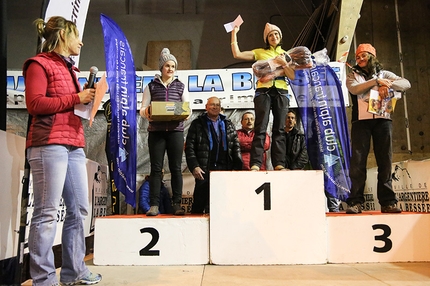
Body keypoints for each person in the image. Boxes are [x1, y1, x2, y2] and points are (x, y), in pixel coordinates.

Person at [22, 16, 101, 285]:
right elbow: (35, 104)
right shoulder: (39, 64)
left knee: (79, 209)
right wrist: (76, 98)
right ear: (63, 37)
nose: (81, 41)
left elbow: (68, 105)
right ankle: (43, 279)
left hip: (73, 144)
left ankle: (74, 272)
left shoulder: (71, 69)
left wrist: (87, 104)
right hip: (48, 145)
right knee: (46, 213)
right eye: (77, 36)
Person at [345, 43, 411, 214]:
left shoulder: (385, 74)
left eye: (363, 56)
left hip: (383, 121)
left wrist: (386, 84)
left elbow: (406, 84)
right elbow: (354, 89)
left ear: (372, 56)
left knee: (385, 160)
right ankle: (355, 202)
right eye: (358, 56)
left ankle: (388, 202)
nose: (359, 59)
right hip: (360, 122)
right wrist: (375, 82)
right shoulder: (352, 75)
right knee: (358, 162)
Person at [231, 22, 295, 171]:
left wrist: (284, 64)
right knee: (260, 127)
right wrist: (234, 33)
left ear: (280, 36)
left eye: (276, 34)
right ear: (267, 38)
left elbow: (292, 76)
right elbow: (237, 54)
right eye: (271, 35)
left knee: (279, 128)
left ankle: (279, 164)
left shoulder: (287, 54)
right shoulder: (260, 52)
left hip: (281, 91)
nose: (274, 37)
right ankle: (256, 164)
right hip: (263, 92)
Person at [140, 48, 189, 216]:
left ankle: (176, 204)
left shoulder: (181, 86)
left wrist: (185, 114)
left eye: (173, 66)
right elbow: (142, 109)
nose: (170, 69)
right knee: (156, 168)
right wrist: (149, 113)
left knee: (176, 168)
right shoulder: (151, 86)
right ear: (161, 67)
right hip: (157, 132)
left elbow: (187, 108)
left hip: (175, 131)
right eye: (167, 65)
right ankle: (154, 205)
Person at [185, 97, 242, 213]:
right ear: (206, 107)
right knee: (199, 205)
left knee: (222, 204)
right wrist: (194, 166)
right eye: (212, 105)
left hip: (224, 169)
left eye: (217, 105)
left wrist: (237, 167)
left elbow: (236, 146)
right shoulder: (197, 124)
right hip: (204, 169)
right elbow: (189, 147)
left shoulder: (228, 124)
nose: (215, 107)